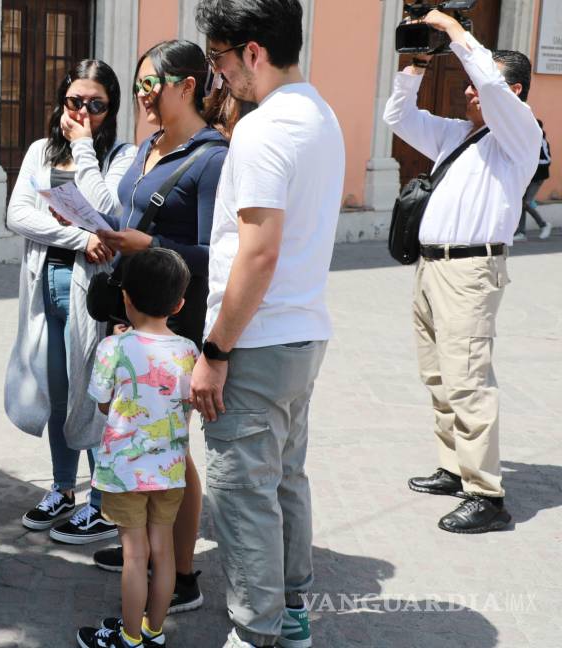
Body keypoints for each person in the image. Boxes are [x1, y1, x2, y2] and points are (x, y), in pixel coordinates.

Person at [193, 1, 345, 646]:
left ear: (253, 52)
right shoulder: (322, 113)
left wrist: (214, 349)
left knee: (244, 492)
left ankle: (255, 631)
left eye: (220, 60)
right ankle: (290, 610)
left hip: (256, 340)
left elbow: (258, 250)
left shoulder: (264, 128)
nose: (219, 76)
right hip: (302, 331)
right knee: (283, 479)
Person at [90, 39, 235, 615]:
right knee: (146, 436)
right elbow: (130, 213)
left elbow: (215, 253)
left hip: (177, 323)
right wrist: (104, 234)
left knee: (173, 448)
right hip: (133, 313)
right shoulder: (149, 145)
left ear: (187, 86)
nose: (143, 98)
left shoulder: (212, 157)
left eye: (151, 86)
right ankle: (147, 547)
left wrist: (150, 245)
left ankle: (180, 572)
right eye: (140, 87)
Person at [384, 11, 541, 535]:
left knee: (469, 379)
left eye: (478, 83)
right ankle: (454, 466)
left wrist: (454, 29)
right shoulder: (457, 135)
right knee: (439, 374)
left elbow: (493, 87)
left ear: (512, 89)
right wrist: (419, 64)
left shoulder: (518, 133)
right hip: (433, 269)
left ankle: (487, 495)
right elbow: (398, 119)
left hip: (471, 271)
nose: (471, 92)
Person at [4, 59, 136, 545]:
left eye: (96, 105)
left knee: (96, 394)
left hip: (94, 292)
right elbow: (18, 213)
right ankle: (63, 488)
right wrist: (77, 239)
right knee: (58, 393)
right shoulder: (41, 150)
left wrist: (84, 148)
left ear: (111, 109)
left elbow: (110, 211)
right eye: (74, 102)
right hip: (47, 281)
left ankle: (101, 502)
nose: (83, 112)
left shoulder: (122, 156)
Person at [76, 249, 198, 648]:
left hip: (125, 471)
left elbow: (103, 403)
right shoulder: (188, 351)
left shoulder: (114, 349)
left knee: (133, 555)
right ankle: (152, 631)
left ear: (125, 297)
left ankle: (128, 638)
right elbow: (187, 404)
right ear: (179, 303)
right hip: (170, 470)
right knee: (162, 551)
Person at [514, 126, 552, 241]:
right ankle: (521, 233)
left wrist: (532, 160)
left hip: (538, 177)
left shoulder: (542, 140)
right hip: (528, 177)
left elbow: (548, 159)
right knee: (521, 203)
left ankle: (544, 225)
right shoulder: (528, 141)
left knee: (526, 202)